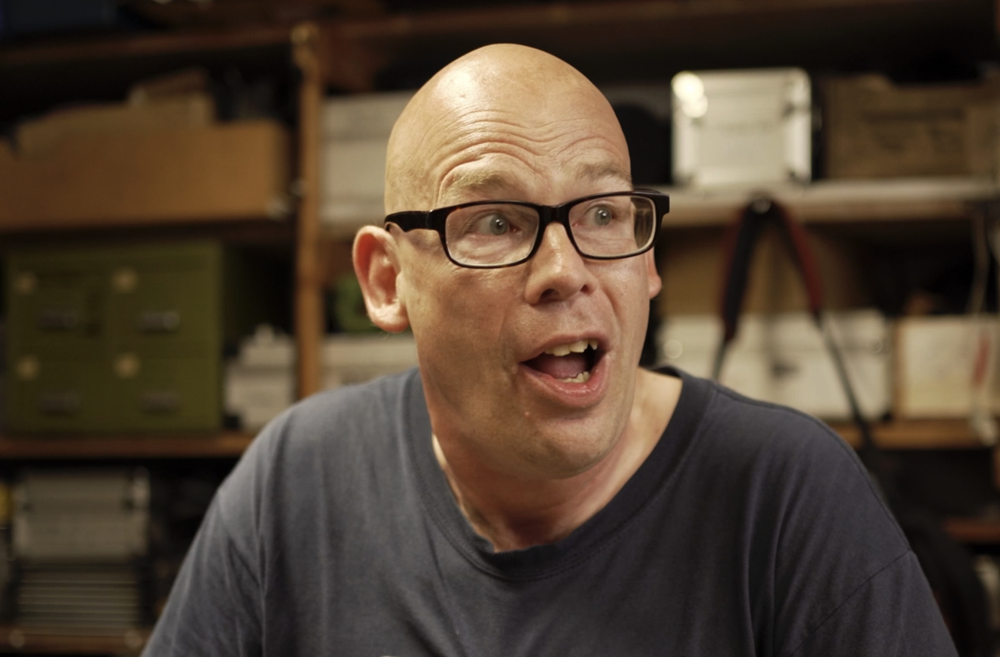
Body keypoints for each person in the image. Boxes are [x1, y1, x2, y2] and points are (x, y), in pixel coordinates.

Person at [142, 44, 958, 656]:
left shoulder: (787, 496)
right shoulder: (296, 481)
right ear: (387, 281)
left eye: (603, 214)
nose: (565, 270)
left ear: (648, 261)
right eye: (496, 222)